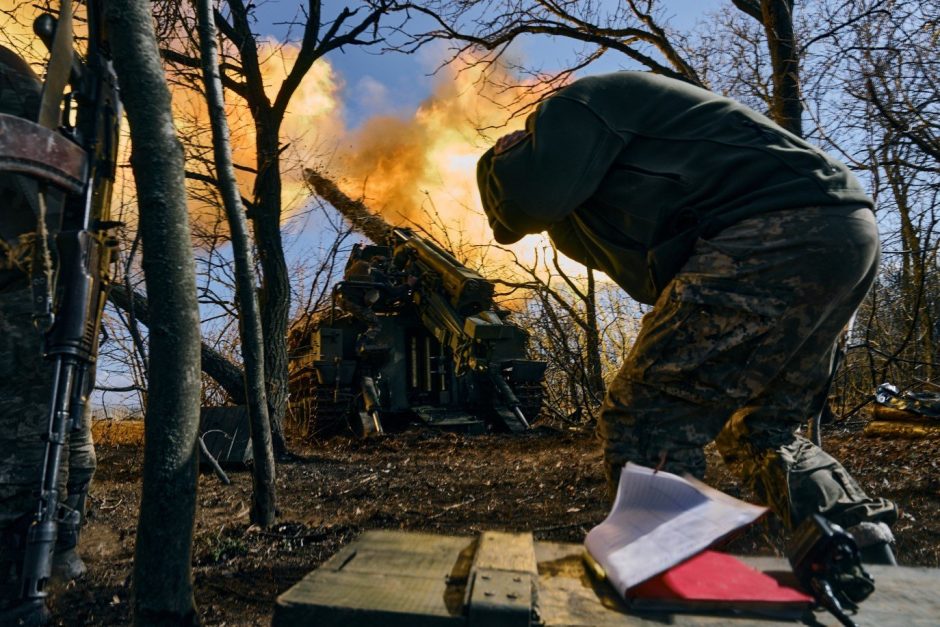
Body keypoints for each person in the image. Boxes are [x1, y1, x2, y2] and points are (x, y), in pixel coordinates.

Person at [476, 71, 897, 562]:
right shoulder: (623, 155)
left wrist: (497, 160)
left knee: (649, 415)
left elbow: (526, 204)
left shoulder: (575, 105)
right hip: (842, 231)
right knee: (761, 428)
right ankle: (862, 553)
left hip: (774, 229)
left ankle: (670, 581)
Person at [0, 45, 97, 624]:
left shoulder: (20, 83)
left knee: (63, 447)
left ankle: (55, 553)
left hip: (45, 300)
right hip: (36, 301)